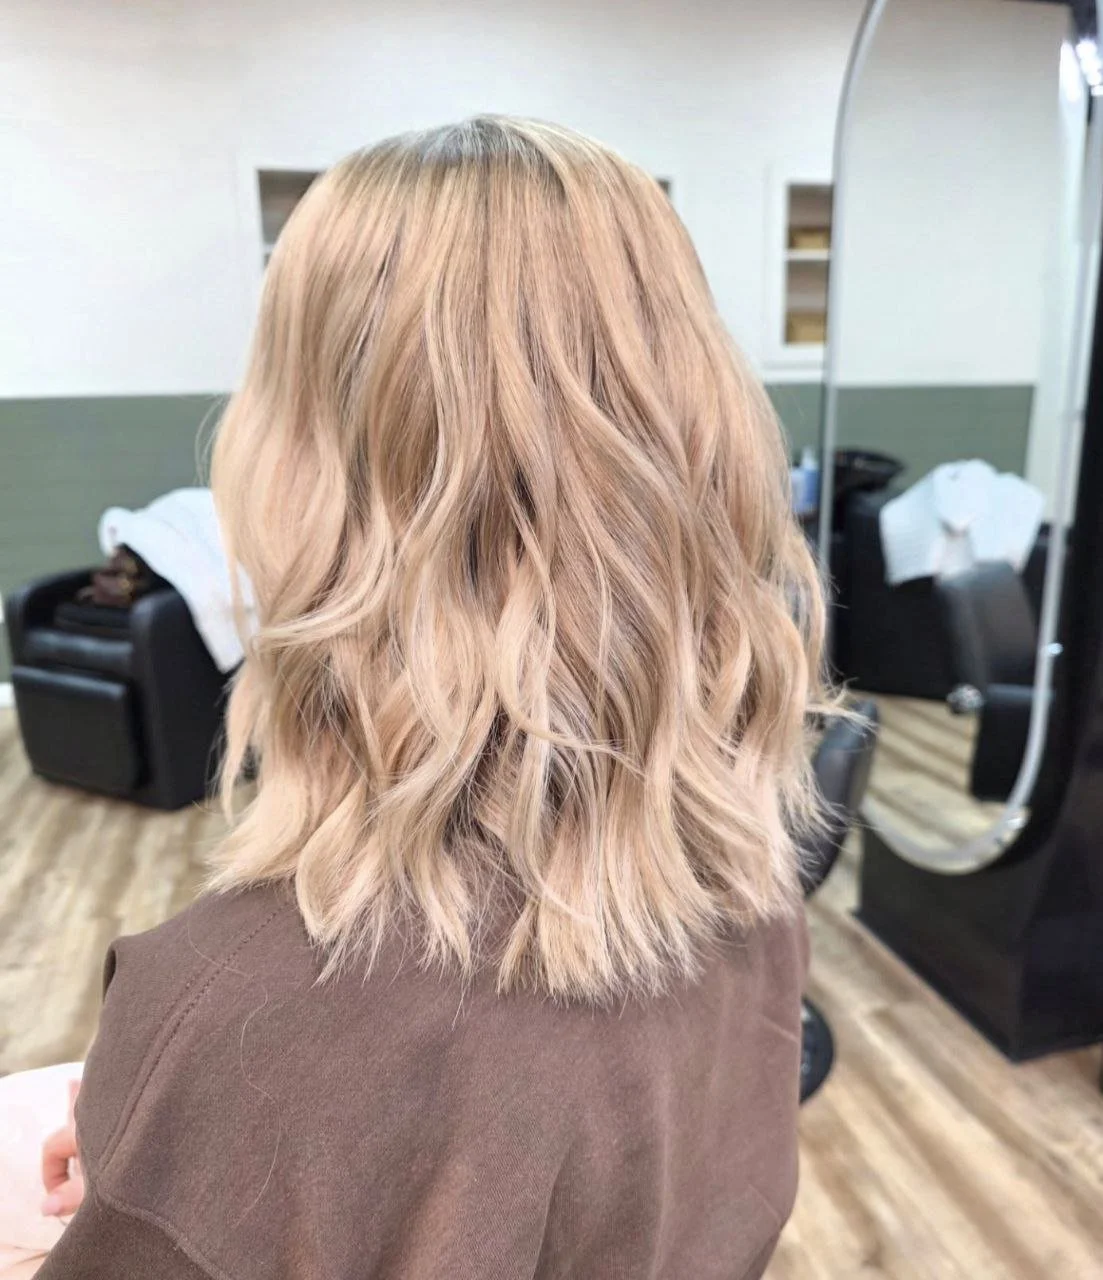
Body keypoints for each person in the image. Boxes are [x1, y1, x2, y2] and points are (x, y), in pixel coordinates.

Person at [33, 116, 826, 1279]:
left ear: (305, 467)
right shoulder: (750, 883)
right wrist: (165, 1162)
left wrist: (177, 1158)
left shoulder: (243, 1018)